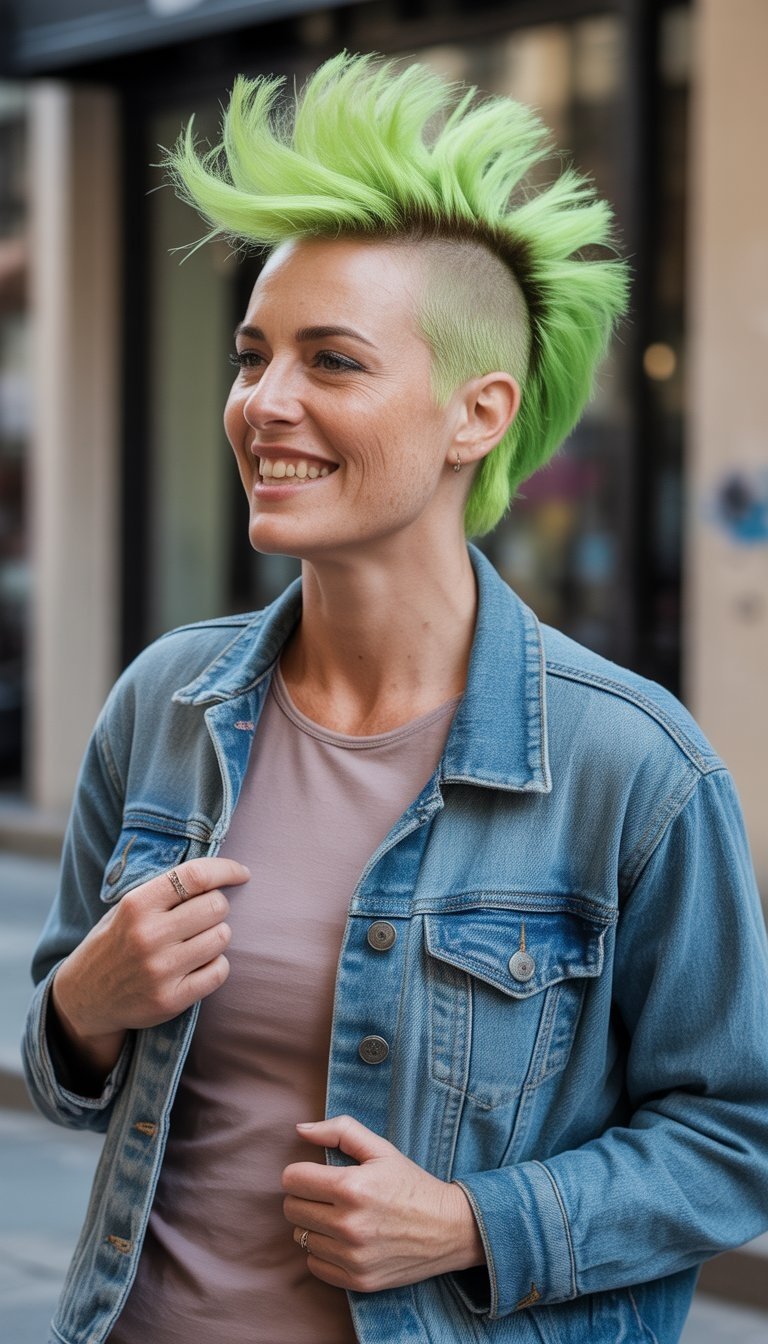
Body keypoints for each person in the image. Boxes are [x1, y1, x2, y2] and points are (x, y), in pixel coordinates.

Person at [23, 52, 768, 1344]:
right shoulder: (163, 705)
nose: (264, 403)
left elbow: (735, 1136)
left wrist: (474, 1224)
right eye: (253, 356)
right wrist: (83, 1008)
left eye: (333, 361)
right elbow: (69, 1078)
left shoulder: (633, 768)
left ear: (478, 414)